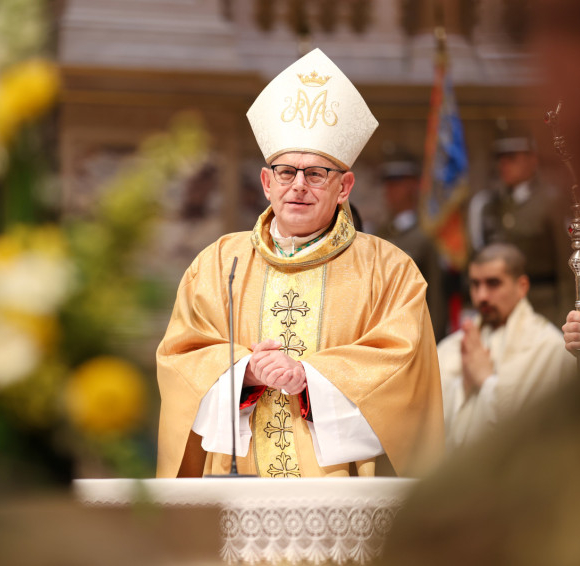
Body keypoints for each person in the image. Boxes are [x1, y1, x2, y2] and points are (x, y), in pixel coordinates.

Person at [379, 0, 580, 563]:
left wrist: (574, 316)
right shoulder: (471, 509)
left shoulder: (547, 209)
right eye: (528, 35)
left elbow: (565, 263)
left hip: (548, 307)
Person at [156, 48, 444, 479]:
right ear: (266, 182)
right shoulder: (217, 264)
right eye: (286, 172)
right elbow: (179, 362)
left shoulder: (390, 271)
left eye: (316, 174)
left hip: (338, 491)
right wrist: (243, 372)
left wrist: (311, 379)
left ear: (344, 187)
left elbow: (405, 377)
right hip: (237, 483)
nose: (299, 186)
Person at [438, 243, 574, 450]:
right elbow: (428, 431)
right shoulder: (453, 346)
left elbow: (535, 434)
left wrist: (485, 380)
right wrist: (464, 385)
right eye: (475, 284)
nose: (482, 296)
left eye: (493, 283)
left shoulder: (549, 347)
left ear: (522, 286)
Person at [468, 134, 572, 326]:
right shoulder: (492, 204)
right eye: (501, 159)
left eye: (512, 158)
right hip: (502, 308)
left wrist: (565, 316)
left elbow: (567, 266)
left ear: (532, 160)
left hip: (542, 307)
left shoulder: (551, 202)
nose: (504, 165)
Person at [376, 157, 447, 340]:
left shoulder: (425, 236)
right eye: (388, 184)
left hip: (413, 331)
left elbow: (435, 295)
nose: (390, 190)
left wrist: (433, 338)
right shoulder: (379, 233)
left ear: (413, 185)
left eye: (397, 183)